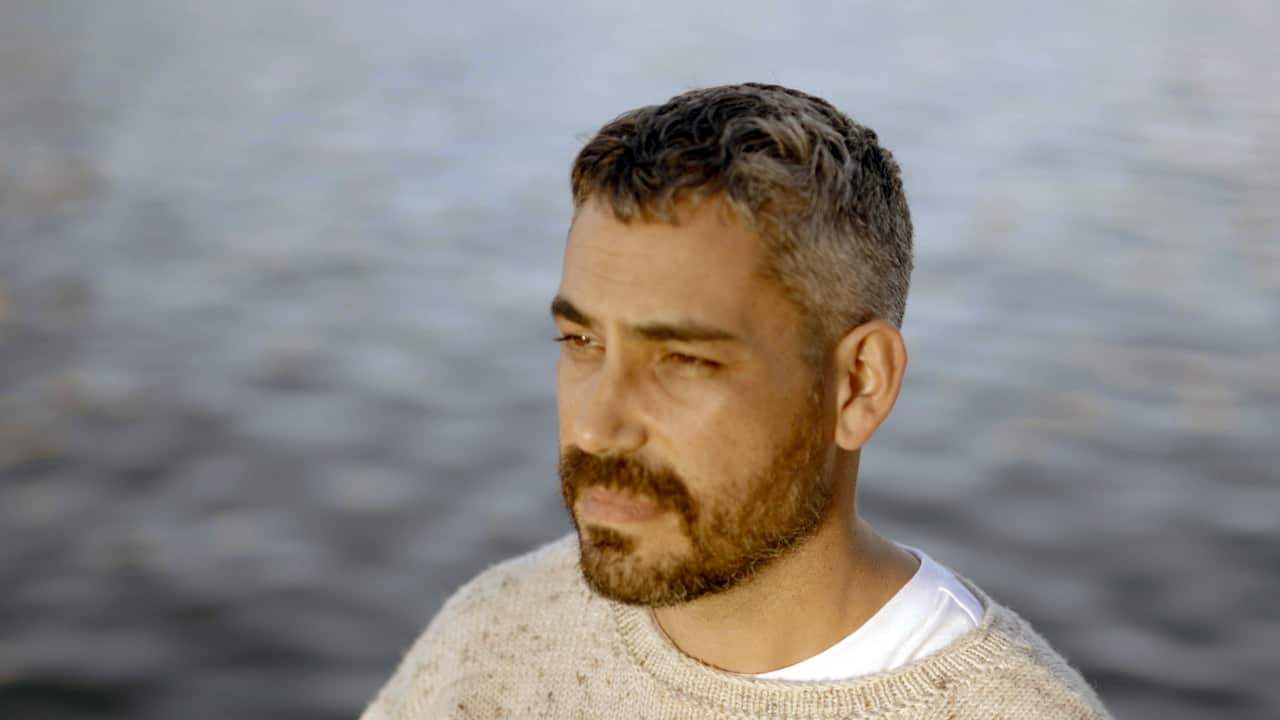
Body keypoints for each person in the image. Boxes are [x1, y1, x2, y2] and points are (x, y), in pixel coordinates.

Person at [360, 83, 1111, 719]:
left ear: (859, 385)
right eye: (581, 341)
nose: (594, 426)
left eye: (683, 360)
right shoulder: (493, 636)